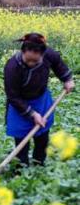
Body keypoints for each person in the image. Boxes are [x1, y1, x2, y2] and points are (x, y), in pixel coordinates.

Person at [4, 33, 74, 169]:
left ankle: (39, 164)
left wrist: (67, 79)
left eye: (35, 61)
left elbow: (59, 65)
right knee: (21, 139)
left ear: (43, 54)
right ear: (22, 52)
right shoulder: (12, 67)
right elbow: (13, 96)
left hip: (41, 101)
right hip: (20, 104)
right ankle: (21, 169)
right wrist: (32, 114)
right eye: (28, 60)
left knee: (42, 137)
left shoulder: (49, 54)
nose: (31, 63)